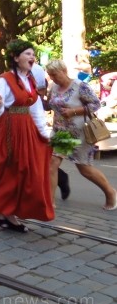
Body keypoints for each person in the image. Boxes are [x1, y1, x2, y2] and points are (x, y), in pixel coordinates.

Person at [0, 40, 54, 232]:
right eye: (27, 53)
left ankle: (9, 211)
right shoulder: (5, 80)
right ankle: (0, 208)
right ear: (15, 57)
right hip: (11, 127)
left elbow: (35, 109)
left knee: (27, 169)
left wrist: (45, 133)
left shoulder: (30, 80)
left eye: (33, 54)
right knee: (13, 168)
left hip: (26, 127)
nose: (32, 57)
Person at [45, 59, 117, 210]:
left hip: (79, 133)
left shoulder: (80, 85)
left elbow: (95, 104)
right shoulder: (54, 87)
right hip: (61, 132)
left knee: (85, 169)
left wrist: (73, 111)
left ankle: (110, 193)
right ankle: (49, 203)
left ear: (63, 71)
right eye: (50, 75)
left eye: (54, 74)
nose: (52, 78)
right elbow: (50, 105)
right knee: (53, 163)